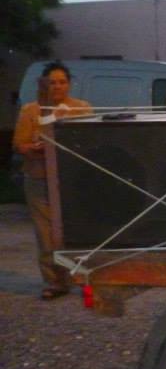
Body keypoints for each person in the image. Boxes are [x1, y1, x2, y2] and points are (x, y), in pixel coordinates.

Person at [12, 61, 92, 300]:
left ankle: (83, 279)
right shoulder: (31, 111)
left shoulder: (81, 108)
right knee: (46, 234)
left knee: (77, 231)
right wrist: (35, 148)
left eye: (62, 82)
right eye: (52, 82)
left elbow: (89, 142)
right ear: (44, 84)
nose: (57, 86)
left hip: (71, 181)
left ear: (69, 84)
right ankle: (54, 282)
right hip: (39, 180)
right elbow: (19, 144)